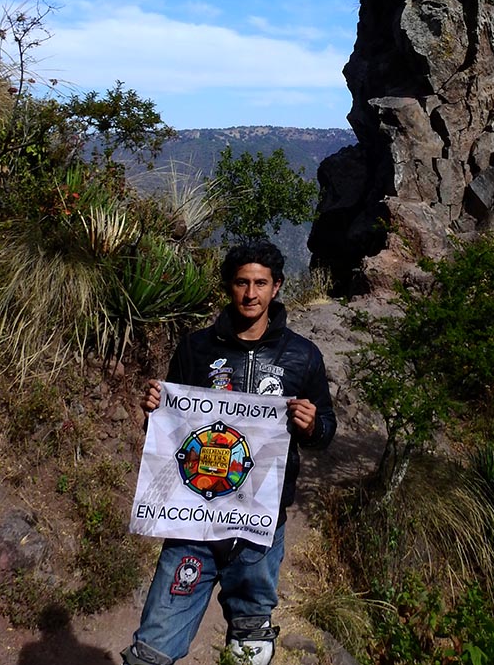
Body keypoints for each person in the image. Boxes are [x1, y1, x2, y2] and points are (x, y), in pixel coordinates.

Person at [122, 240, 336, 665]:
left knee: (250, 646)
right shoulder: (195, 349)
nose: (251, 294)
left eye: (261, 283)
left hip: (260, 526)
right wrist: (155, 411)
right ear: (228, 286)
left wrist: (312, 426)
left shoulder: (303, 356)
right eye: (241, 283)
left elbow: (325, 432)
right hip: (192, 520)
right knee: (151, 649)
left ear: (277, 287)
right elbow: (170, 433)